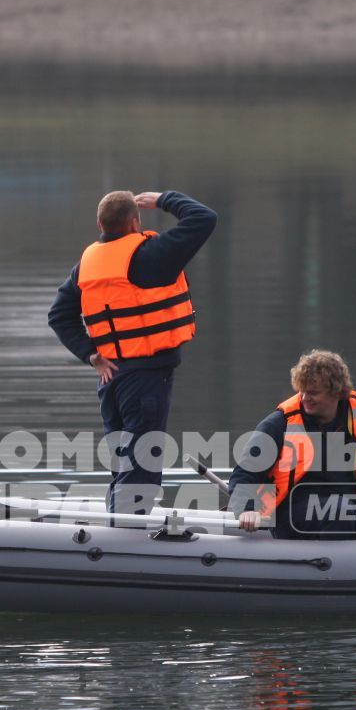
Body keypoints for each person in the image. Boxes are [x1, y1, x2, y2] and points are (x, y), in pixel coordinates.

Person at [48, 189, 218, 514]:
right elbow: (204, 218)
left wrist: (90, 355)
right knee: (140, 463)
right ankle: (126, 541)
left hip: (109, 377)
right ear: (135, 222)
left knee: (124, 461)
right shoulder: (154, 255)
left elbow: (58, 315)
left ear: (99, 222)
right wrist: (164, 199)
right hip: (146, 379)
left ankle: (117, 526)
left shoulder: (86, 265)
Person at [228, 349, 356, 539]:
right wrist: (248, 509)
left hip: (349, 508)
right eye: (302, 391)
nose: (305, 398)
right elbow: (244, 472)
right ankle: (338, 572)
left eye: (314, 392)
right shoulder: (280, 423)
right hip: (292, 516)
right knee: (337, 509)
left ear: (336, 392)